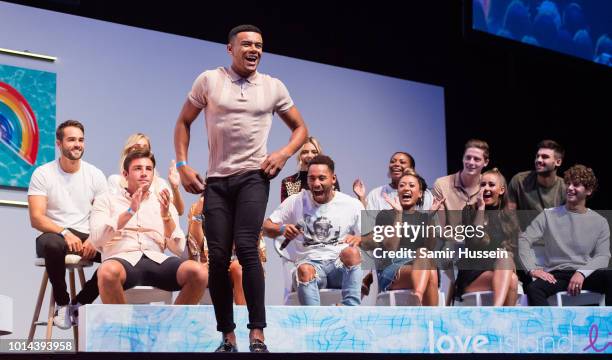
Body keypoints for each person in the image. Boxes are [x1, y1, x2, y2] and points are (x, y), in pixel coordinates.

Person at [173, 24, 308, 352]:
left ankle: (257, 333)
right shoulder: (209, 80)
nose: (254, 50)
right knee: (217, 258)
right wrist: (182, 165)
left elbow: (300, 129)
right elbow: (183, 122)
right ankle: (228, 336)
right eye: (247, 44)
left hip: (253, 177)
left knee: (247, 248)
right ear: (229, 48)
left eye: (259, 45)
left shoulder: (273, 87)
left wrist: (283, 153)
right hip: (217, 181)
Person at [90, 149, 208, 304]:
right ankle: (122, 328)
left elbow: (179, 249)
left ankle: (171, 327)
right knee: (106, 272)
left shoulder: (163, 201)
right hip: (122, 259)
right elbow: (97, 240)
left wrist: (166, 217)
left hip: (157, 260)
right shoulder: (106, 200)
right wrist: (130, 212)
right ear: (125, 175)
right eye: (138, 168)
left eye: (148, 169)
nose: (144, 173)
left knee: (198, 272)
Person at [27, 120, 107, 329]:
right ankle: (62, 304)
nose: (77, 144)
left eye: (80, 140)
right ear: (59, 143)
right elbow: (36, 218)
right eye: (71, 139)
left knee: (119, 254)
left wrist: (94, 239)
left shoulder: (95, 175)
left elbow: (103, 214)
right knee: (54, 245)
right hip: (53, 233)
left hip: (87, 235)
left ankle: (79, 304)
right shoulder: (43, 173)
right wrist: (64, 232)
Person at [263, 155, 364, 306]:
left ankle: (350, 309)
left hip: (338, 268)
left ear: (333, 179)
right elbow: (266, 226)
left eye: (322, 178)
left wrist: (361, 239)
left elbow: (374, 236)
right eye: (312, 178)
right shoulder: (296, 200)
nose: (316, 183)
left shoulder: (351, 203)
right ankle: (314, 322)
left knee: (352, 253)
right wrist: (282, 228)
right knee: (304, 269)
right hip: (310, 268)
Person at [519, 164, 611, 305]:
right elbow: (524, 240)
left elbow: (603, 256)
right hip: (557, 275)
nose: (569, 188)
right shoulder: (548, 215)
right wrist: (532, 269)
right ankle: (550, 327)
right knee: (533, 288)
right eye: (568, 183)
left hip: (585, 273)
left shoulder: (600, 221)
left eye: (576, 185)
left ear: (589, 190)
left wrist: (581, 273)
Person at [361, 169, 440, 306]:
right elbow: (391, 247)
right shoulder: (385, 215)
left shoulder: (424, 217)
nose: (406, 188)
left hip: (418, 267)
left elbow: (430, 248)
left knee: (428, 264)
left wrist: (430, 218)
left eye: (411, 185)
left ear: (420, 193)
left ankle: (418, 297)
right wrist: (398, 215)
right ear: (397, 191)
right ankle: (428, 315)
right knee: (430, 270)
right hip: (391, 270)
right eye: (402, 185)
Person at [454, 168, 519, 306]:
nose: (486, 188)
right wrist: (481, 209)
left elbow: (512, 249)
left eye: (491, 184)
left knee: (507, 262)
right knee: (511, 278)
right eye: (482, 185)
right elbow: (475, 240)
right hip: (473, 273)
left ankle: (498, 314)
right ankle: (500, 315)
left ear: (501, 190)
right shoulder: (469, 211)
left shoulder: (508, 216)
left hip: (500, 268)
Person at [186, 195, 267, 305]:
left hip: (239, 266)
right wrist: (197, 216)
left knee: (239, 268)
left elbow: (254, 251)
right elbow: (194, 247)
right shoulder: (199, 206)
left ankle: (244, 319)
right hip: (208, 265)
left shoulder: (247, 208)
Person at [108, 133, 185, 215]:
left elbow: (178, 211)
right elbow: (109, 211)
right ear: (127, 152)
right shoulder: (115, 181)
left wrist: (175, 188)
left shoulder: (159, 184)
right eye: (136, 147)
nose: (140, 151)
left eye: (145, 148)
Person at [353, 151, 433, 210]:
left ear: (411, 168)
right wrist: (361, 198)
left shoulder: (425, 194)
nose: (396, 164)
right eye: (392, 162)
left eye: (402, 162)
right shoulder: (376, 194)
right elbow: (367, 224)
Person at [280, 136, 339, 202]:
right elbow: (284, 210)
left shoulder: (330, 179)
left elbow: (337, 205)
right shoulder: (289, 182)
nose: (310, 155)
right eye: (305, 152)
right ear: (299, 155)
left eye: (314, 152)